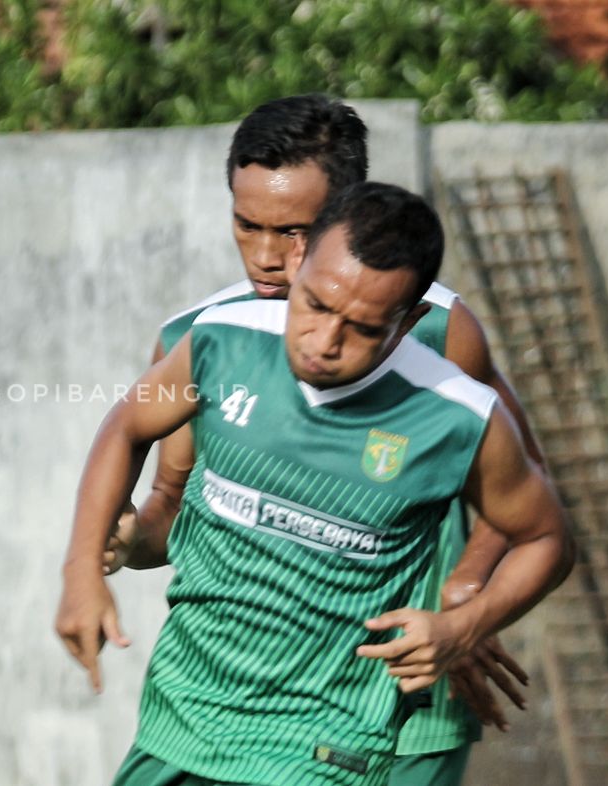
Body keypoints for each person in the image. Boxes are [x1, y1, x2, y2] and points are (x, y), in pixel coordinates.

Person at [56, 182, 573, 786]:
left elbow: (548, 538)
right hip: (183, 723)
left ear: (408, 322)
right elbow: (125, 425)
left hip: (328, 751)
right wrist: (81, 570)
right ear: (299, 266)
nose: (325, 342)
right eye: (317, 307)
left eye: (361, 328)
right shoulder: (222, 341)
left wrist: (464, 623)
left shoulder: (457, 415)